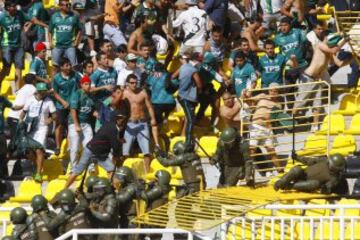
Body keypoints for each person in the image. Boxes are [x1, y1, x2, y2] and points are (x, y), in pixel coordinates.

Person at [293, 34, 351, 130]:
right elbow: (333, 50)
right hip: (308, 77)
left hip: (318, 79)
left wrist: (352, 58)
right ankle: (291, 123)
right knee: (300, 102)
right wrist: (344, 40)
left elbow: (339, 63)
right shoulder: (320, 45)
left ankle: (315, 126)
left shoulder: (329, 51)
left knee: (317, 104)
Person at [64, 109, 128, 188]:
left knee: (111, 170)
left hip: (98, 153)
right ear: (117, 119)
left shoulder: (109, 125)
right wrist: (118, 157)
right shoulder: (113, 128)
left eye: (123, 119)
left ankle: (114, 188)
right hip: (92, 151)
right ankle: (64, 189)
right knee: (78, 172)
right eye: (121, 118)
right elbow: (115, 146)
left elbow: (113, 141)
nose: (122, 121)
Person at [122, 74, 160, 172]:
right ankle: (126, 171)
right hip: (129, 124)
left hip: (142, 124)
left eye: (136, 82)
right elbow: (113, 104)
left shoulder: (142, 93)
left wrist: (153, 118)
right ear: (127, 83)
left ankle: (147, 172)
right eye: (132, 83)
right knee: (125, 152)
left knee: (146, 151)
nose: (134, 85)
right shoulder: (123, 93)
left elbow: (149, 107)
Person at [247, 82, 284, 173]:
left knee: (271, 151)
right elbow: (250, 100)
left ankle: (280, 170)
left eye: (275, 91)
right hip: (256, 126)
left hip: (267, 129)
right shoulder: (262, 95)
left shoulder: (279, 104)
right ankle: (247, 171)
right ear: (268, 90)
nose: (273, 92)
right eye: (271, 90)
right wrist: (246, 96)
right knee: (252, 150)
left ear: (278, 92)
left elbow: (276, 118)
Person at [274, 153, 346, 193]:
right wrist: (297, 157)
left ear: (335, 168)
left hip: (307, 184)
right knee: (297, 169)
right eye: (329, 162)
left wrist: (325, 189)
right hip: (302, 174)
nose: (329, 163)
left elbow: (328, 187)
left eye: (331, 164)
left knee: (315, 183)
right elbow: (309, 161)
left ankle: (289, 186)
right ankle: (281, 182)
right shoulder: (324, 160)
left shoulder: (334, 178)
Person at [52, 58, 81, 155]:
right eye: (67, 65)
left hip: (73, 105)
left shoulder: (75, 75)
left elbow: (81, 86)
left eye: (70, 65)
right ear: (61, 67)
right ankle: (57, 146)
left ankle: (70, 147)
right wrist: (63, 102)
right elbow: (55, 93)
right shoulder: (56, 78)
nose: (69, 67)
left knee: (71, 126)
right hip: (61, 106)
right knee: (59, 126)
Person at [0, 0, 30, 89]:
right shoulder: (2, 17)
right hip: (7, 46)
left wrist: (27, 26)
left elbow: (32, 19)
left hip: (19, 46)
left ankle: (17, 91)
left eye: (16, 5)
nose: (16, 7)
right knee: (6, 69)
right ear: (8, 8)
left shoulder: (20, 14)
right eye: (14, 6)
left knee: (19, 69)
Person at [68, 75, 95, 171]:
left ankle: (90, 166)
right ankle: (74, 168)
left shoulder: (91, 96)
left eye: (89, 84)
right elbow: (73, 109)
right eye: (86, 84)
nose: (88, 86)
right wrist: (76, 125)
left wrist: (99, 115)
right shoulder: (77, 94)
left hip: (86, 124)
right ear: (81, 85)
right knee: (74, 148)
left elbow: (92, 110)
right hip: (75, 124)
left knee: (89, 146)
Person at [177, 51, 202, 152]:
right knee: (191, 119)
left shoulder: (182, 67)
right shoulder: (193, 70)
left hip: (182, 96)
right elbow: (199, 84)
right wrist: (197, 93)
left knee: (189, 118)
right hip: (187, 98)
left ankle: (188, 139)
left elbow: (173, 76)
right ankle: (188, 141)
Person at [48, 0, 82, 73]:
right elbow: (50, 31)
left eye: (69, 4)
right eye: (66, 5)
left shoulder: (74, 16)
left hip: (70, 46)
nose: (68, 6)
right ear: (60, 6)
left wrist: (76, 42)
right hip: (57, 46)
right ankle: (53, 84)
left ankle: (74, 83)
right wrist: (50, 42)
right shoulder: (54, 16)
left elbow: (80, 30)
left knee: (74, 66)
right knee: (55, 67)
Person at [20, 82, 56, 149]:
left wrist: (50, 119)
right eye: (41, 91)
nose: (43, 93)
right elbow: (24, 112)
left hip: (42, 127)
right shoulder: (30, 100)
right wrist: (20, 121)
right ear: (37, 91)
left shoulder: (49, 101)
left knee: (40, 146)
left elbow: (55, 115)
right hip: (30, 127)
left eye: (44, 91)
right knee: (30, 147)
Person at [7, 74, 37, 144]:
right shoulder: (33, 89)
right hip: (17, 118)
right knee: (16, 141)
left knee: (15, 140)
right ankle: (9, 154)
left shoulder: (22, 88)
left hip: (11, 117)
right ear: (33, 81)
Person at [146, 63, 176, 127]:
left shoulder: (152, 76)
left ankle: (159, 130)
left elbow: (147, 85)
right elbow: (176, 84)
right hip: (171, 103)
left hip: (157, 103)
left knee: (157, 123)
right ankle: (166, 117)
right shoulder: (168, 75)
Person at [0, 95, 22, 177]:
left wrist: (25, 105)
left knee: (3, 154)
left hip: (1, 133)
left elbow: (14, 107)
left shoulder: (2, 99)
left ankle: (3, 175)